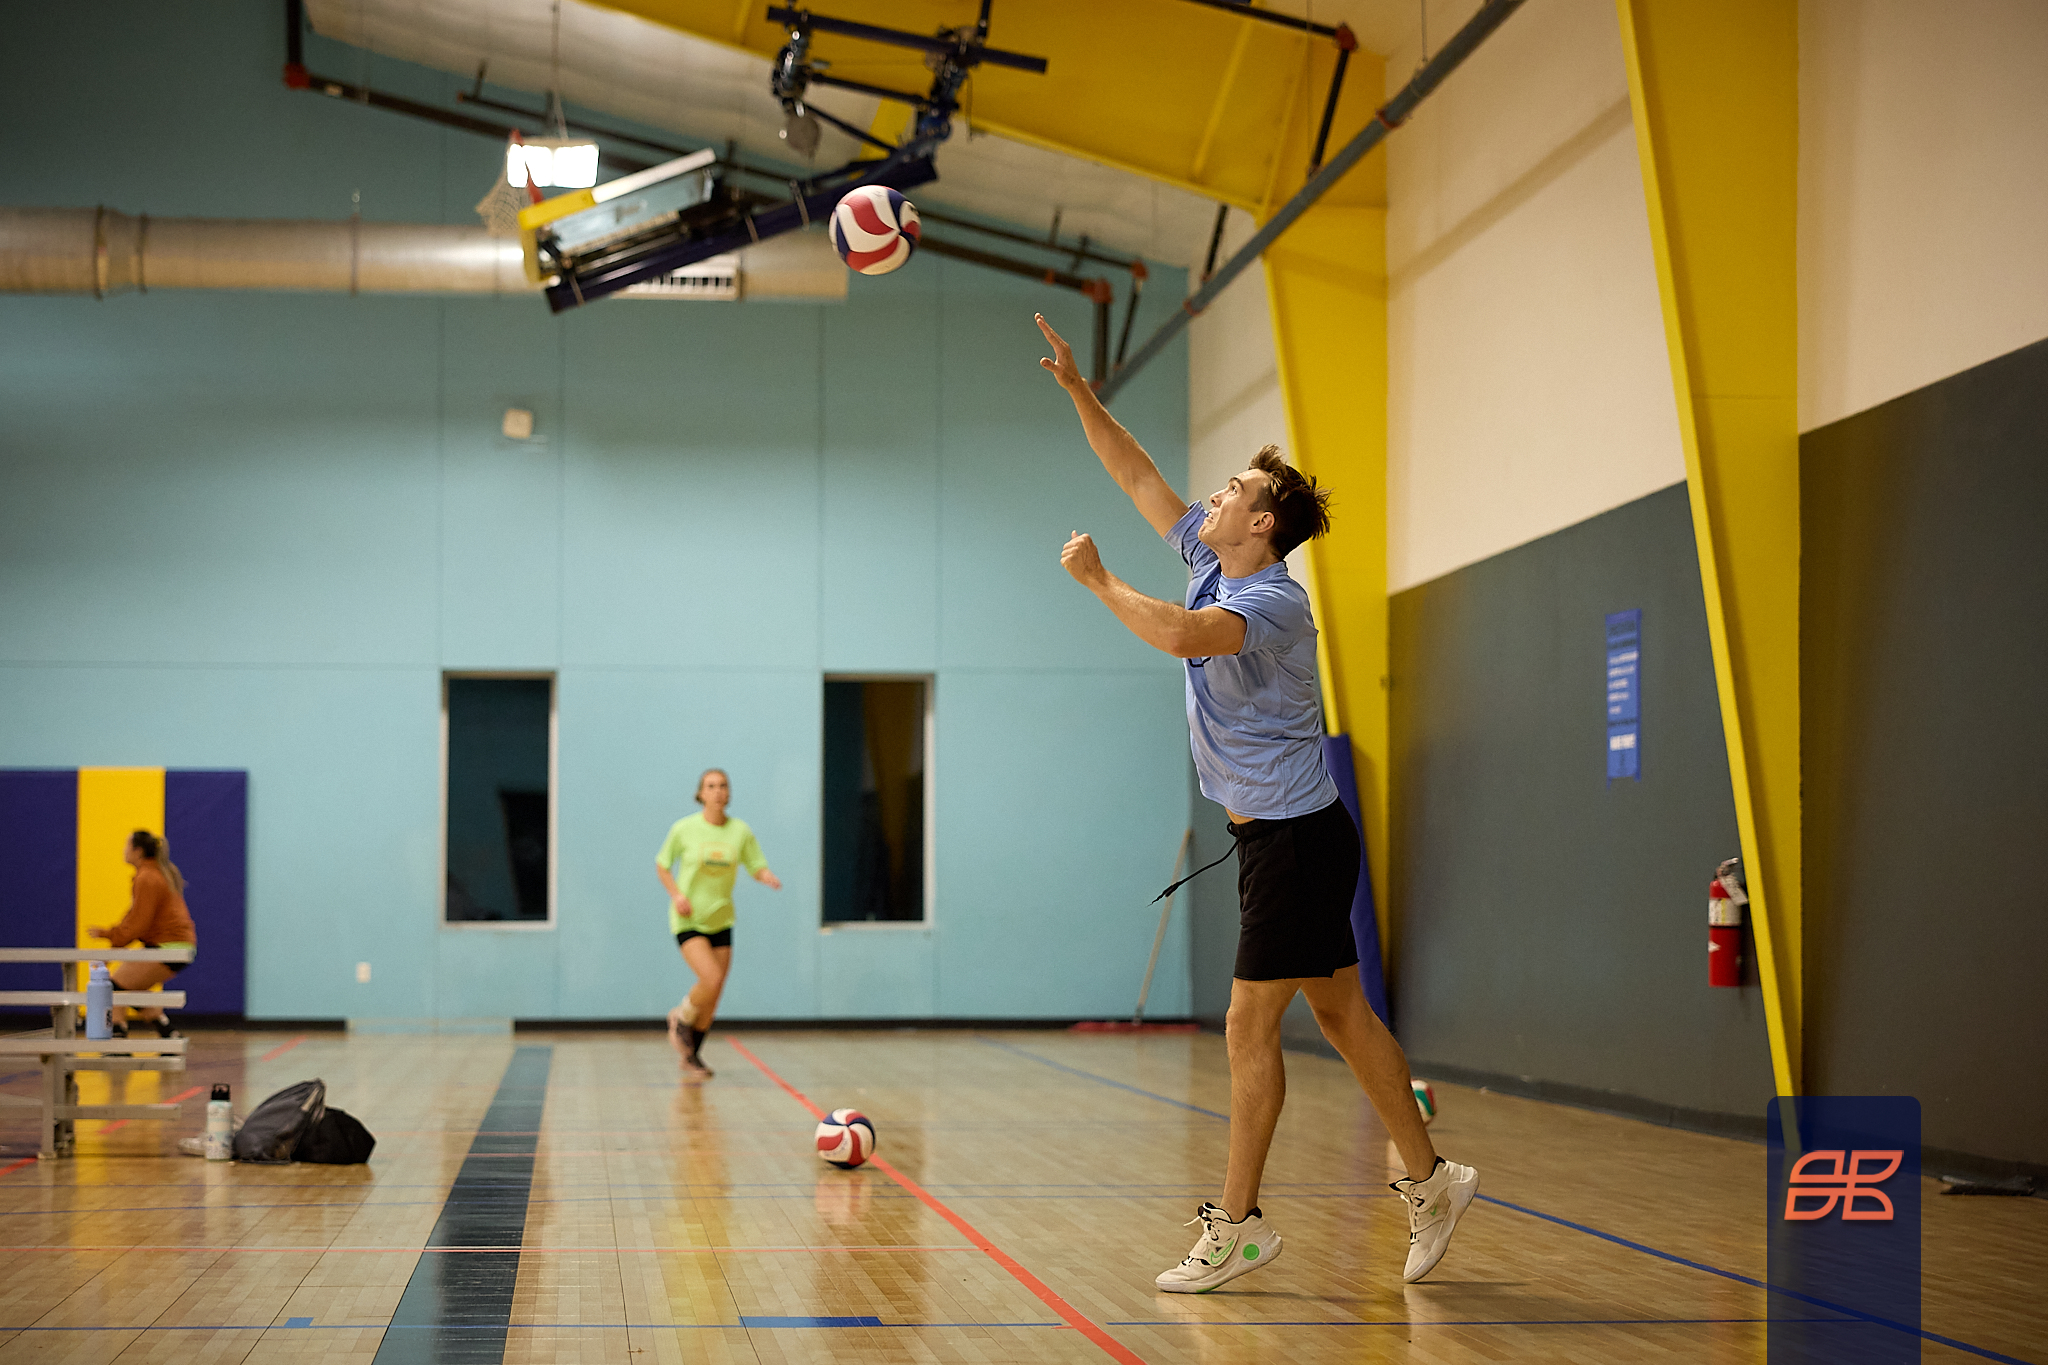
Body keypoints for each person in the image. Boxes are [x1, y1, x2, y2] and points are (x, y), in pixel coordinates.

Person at [1034, 313, 1480, 1291]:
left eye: (1233, 489)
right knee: (1344, 1016)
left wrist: (1100, 581)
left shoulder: (1269, 602)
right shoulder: (1210, 557)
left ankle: (1237, 1225)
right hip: (1283, 839)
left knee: (1247, 1024)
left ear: (1262, 523)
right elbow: (1136, 473)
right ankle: (1433, 1180)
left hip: (1293, 841)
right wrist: (1078, 391)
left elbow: (1185, 635)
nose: (1215, 495)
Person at [655, 769, 781, 1078]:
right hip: (689, 918)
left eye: (723, 786)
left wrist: (766, 876)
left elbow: (755, 864)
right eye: (711, 786)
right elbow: (662, 864)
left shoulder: (740, 832)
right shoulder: (684, 829)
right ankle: (681, 1017)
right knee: (709, 977)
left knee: (716, 991)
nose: (718, 791)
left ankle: (691, 1056)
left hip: (721, 918)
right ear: (700, 794)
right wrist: (676, 895)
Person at [86, 829, 196, 1039]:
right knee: (130, 989)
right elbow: (135, 920)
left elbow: (138, 924)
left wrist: (113, 941)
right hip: (178, 945)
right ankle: (169, 1034)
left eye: (127, 846)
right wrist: (112, 936)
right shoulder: (157, 873)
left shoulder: (147, 877)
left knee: (113, 987)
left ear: (137, 851)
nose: (123, 850)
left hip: (168, 946)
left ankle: (118, 1041)